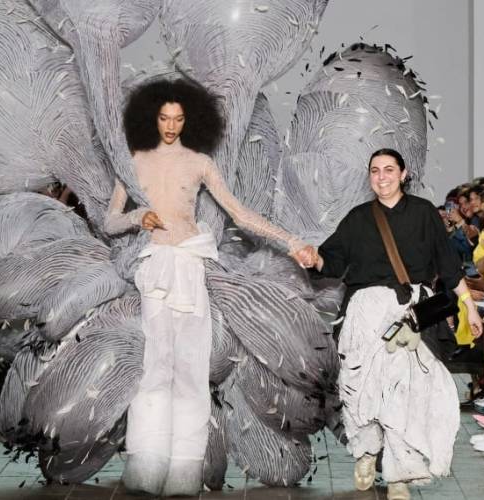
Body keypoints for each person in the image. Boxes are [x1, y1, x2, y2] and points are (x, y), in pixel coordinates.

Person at [106, 79, 311, 496]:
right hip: (156, 269)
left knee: (191, 370)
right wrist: (136, 217)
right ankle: (145, 465)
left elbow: (240, 213)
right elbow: (109, 221)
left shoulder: (199, 163)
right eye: (164, 118)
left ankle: (185, 470)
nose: (171, 126)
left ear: (190, 121)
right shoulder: (134, 161)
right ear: (151, 118)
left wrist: (291, 242)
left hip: (189, 265)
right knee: (155, 368)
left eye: (178, 119)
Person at [303, 148, 483, 500]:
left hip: (410, 314)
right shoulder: (357, 218)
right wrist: (314, 258)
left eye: (388, 169)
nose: (382, 176)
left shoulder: (424, 213)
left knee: (407, 391)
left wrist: (470, 307)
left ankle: (400, 474)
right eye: (375, 170)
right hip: (365, 315)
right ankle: (366, 452)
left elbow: (448, 264)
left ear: (403, 174)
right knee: (361, 390)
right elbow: (332, 261)